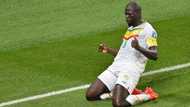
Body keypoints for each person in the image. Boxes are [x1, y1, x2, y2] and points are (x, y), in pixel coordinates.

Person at [86, 1, 159, 107]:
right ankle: (126, 91)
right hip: (116, 67)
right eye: (126, 14)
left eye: (129, 14)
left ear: (138, 13)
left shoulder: (148, 30)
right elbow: (123, 55)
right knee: (90, 95)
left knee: (118, 104)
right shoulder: (130, 29)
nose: (127, 17)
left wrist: (139, 48)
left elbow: (155, 55)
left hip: (131, 69)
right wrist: (108, 50)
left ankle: (147, 95)